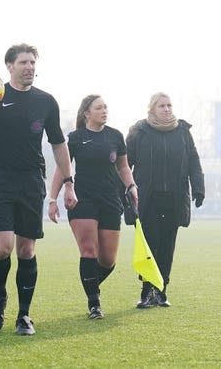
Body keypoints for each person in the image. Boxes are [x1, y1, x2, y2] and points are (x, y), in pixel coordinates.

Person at [0, 43, 78, 336]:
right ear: (9, 66)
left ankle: (24, 316)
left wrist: (68, 183)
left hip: (32, 180)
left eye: (32, 62)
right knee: (3, 248)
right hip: (1, 179)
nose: (29, 67)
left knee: (27, 250)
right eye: (23, 63)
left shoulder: (46, 102)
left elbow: (58, 144)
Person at [48, 95, 138, 320]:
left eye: (106, 107)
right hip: (82, 199)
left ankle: (90, 286)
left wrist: (131, 185)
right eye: (99, 108)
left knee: (108, 260)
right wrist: (53, 198)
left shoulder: (116, 136)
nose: (104, 111)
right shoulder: (76, 138)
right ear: (86, 113)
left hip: (110, 200)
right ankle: (94, 304)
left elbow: (123, 166)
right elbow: (62, 168)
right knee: (89, 251)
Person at [125, 92, 205, 308]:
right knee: (150, 244)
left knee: (167, 245)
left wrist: (198, 187)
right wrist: (123, 193)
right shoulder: (138, 131)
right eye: (162, 105)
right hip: (146, 199)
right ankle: (146, 290)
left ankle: (162, 290)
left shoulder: (182, 132)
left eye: (169, 105)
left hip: (174, 199)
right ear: (152, 108)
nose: (167, 109)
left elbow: (193, 161)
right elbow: (125, 164)